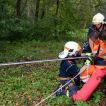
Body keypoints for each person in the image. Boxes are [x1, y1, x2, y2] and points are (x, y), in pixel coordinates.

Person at [71, 29, 106, 101]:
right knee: (83, 71)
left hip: (102, 68)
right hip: (96, 65)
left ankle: (79, 97)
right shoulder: (100, 41)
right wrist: (86, 55)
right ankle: (84, 84)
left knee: (94, 79)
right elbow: (94, 51)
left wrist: (101, 56)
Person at [80, 13, 106, 83]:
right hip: (93, 45)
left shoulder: (105, 28)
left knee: (102, 59)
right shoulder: (92, 28)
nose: (96, 26)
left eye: (98, 24)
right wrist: (92, 50)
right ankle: (85, 74)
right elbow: (90, 39)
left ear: (102, 23)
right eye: (95, 24)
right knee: (86, 55)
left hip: (103, 45)